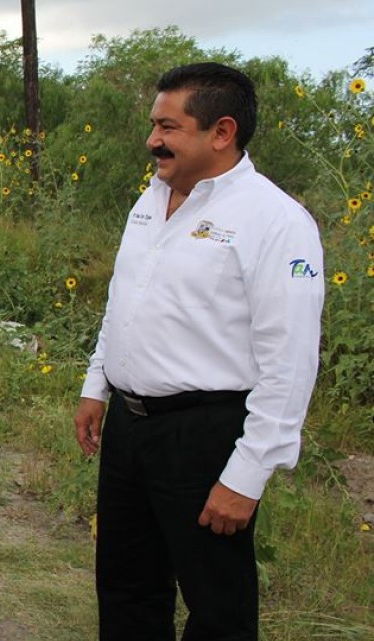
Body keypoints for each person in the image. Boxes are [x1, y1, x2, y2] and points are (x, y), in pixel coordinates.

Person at [73, 62, 324, 640]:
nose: (152, 140)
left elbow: (290, 362)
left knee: (217, 607)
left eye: (168, 127)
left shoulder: (275, 221)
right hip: (130, 429)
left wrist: (247, 475)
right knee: (126, 587)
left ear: (221, 132)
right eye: (153, 125)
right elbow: (125, 299)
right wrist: (97, 385)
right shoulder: (151, 199)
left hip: (205, 435)